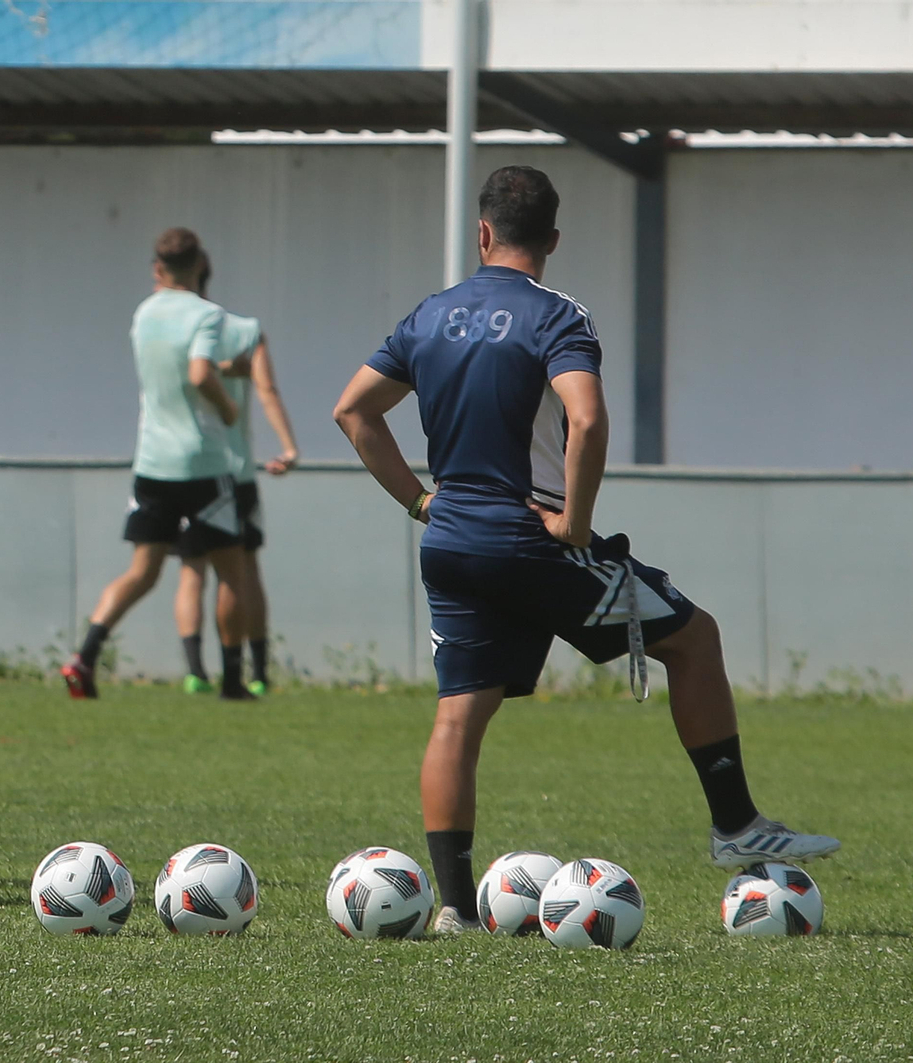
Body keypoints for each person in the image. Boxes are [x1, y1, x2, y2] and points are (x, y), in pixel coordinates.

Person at [332, 165, 839, 933]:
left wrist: (419, 499)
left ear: (482, 232)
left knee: (457, 718)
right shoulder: (558, 316)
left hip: (451, 541)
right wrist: (574, 520)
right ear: (554, 239)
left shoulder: (429, 316)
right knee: (696, 640)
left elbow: (352, 411)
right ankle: (736, 824)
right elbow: (589, 419)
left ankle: (455, 908)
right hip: (532, 539)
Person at [60, 228, 253, 701]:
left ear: (157, 269)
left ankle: (84, 656)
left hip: (153, 462)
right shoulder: (209, 315)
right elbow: (198, 371)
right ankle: (231, 680)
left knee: (141, 572)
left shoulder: (144, 313)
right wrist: (229, 408)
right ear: (200, 264)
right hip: (204, 462)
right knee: (232, 572)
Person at [172, 259, 299, 696]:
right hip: (236, 470)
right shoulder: (246, 329)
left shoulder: (173, 328)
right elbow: (267, 389)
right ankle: (258, 672)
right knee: (244, 571)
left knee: (192, 571)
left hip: (187, 470)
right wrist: (287, 446)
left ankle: (195, 672)